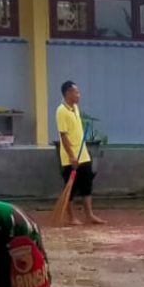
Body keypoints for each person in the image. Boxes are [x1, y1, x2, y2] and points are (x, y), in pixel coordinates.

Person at [56, 81, 102, 225]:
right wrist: (71, 155)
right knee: (71, 187)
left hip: (83, 154)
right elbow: (63, 136)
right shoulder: (61, 111)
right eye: (76, 92)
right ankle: (71, 217)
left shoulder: (75, 107)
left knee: (87, 184)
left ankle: (90, 215)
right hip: (71, 157)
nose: (78, 95)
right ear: (68, 93)